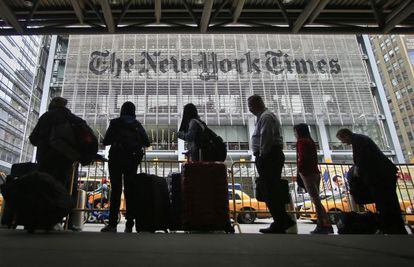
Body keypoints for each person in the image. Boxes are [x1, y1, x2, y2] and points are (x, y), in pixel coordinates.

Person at [336, 128, 407, 234]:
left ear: (346, 135)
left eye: (342, 139)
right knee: (389, 201)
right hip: (384, 174)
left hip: (380, 176)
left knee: (385, 202)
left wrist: (357, 172)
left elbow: (361, 160)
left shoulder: (358, 141)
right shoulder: (360, 139)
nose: (343, 143)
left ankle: (390, 227)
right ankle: (394, 227)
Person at [248, 95, 295, 234]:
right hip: (269, 155)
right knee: (270, 188)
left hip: (269, 156)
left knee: (270, 189)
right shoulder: (264, 117)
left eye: (250, 105)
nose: (249, 109)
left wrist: (262, 155)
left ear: (257, 104)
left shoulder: (266, 117)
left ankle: (281, 221)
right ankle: (281, 220)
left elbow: (266, 137)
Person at [100, 101, 150, 233]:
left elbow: (106, 141)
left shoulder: (115, 123)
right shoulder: (137, 125)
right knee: (130, 191)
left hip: (116, 159)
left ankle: (112, 225)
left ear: (122, 110)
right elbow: (147, 141)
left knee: (115, 190)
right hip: (132, 161)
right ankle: (129, 224)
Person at [30, 97, 84, 188]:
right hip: (66, 159)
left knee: (44, 185)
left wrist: (43, 143)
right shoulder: (72, 118)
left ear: (53, 104)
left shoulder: (45, 117)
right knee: (63, 186)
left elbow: (33, 138)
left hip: (45, 158)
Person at [294, 123, 333, 234]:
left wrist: (300, 170)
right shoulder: (310, 141)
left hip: (307, 173)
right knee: (316, 200)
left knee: (315, 200)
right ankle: (326, 224)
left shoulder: (301, 142)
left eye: (295, 132)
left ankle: (323, 225)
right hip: (315, 172)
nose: (295, 134)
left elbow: (302, 157)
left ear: (299, 132)